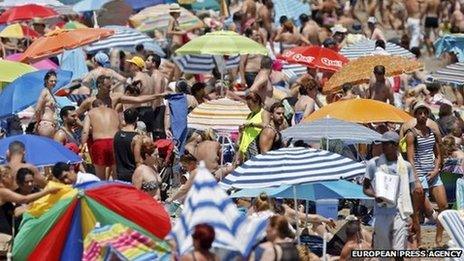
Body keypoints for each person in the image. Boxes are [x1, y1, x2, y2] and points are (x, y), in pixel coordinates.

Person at [363, 131, 415, 250]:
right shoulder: (373, 164)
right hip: (381, 213)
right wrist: (375, 195)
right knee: (383, 250)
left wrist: (413, 217)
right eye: (383, 144)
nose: (383, 147)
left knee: (399, 249)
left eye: (386, 144)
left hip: (400, 213)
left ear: (395, 145)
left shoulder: (406, 166)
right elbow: (366, 188)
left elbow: (411, 194)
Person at [405, 102, 448, 246]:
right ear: (415, 115)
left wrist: (436, 169)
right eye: (419, 113)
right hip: (419, 173)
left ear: (428, 114)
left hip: (432, 172)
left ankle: (438, 238)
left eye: (425, 113)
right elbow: (410, 159)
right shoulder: (411, 134)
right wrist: (416, 180)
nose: (422, 115)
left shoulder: (432, 132)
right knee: (416, 211)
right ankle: (419, 240)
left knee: (443, 205)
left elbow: (437, 155)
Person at [81, 99, 120, 180]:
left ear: (94, 106)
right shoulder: (114, 112)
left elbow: (85, 131)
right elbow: (120, 128)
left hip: (99, 143)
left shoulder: (91, 113)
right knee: (117, 176)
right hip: (114, 142)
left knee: (100, 177)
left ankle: (102, 190)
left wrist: (83, 144)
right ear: (103, 104)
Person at [238, 92, 266, 162]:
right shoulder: (250, 115)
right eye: (248, 105)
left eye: (250, 105)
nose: (249, 107)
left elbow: (265, 125)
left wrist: (252, 124)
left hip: (255, 145)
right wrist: (241, 130)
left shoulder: (264, 113)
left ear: (257, 102)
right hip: (245, 146)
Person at [114, 108, 139, 182]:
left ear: (124, 118)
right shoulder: (137, 137)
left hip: (120, 174)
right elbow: (138, 160)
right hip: (133, 174)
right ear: (136, 119)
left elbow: (114, 154)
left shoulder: (117, 135)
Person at [35, 70, 59, 138]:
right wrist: (38, 121)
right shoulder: (44, 92)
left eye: (55, 81)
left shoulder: (50, 93)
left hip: (51, 125)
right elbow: (37, 109)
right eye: (51, 81)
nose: (54, 83)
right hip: (46, 124)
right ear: (46, 81)